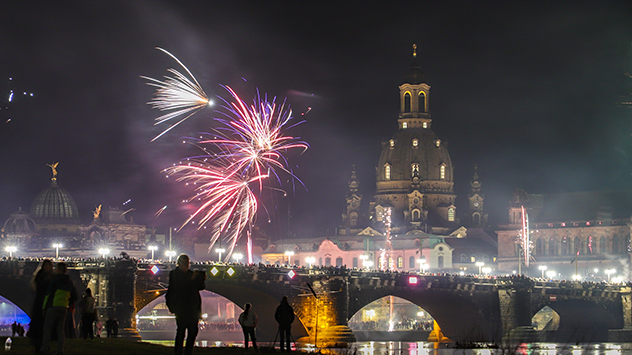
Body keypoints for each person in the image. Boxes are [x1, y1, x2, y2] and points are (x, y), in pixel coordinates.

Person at [166, 254, 206, 355]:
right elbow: (180, 287)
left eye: (188, 262)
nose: (187, 265)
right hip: (181, 308)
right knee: (181, 332)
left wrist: (201, 280)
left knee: (193, 332)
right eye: (184, 262)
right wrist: (192, 279)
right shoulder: (174, 274)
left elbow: (200, 287)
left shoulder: (191, 274)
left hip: (193, 308)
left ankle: (189, 351)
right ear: (179, 263)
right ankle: (178, 352)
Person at [40, 262, 77, 355]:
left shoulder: (55, 280)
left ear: (59, 269)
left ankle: (44, 349)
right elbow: (75, 296)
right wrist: (67, 302)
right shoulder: (69, 282)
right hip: (64, 307)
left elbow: (48, 294)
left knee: (47, 328)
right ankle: (60, 350)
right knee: (60, 329)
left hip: (53, 306)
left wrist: (44, 307)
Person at [29, 259, 53, 351]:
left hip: (39, 302)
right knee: (46, 325)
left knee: (39, 325)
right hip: (46, 303)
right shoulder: (50, 277)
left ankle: (38, 345)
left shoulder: (39, 276)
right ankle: (44, 345)